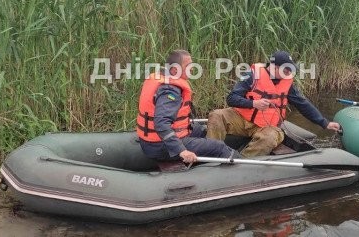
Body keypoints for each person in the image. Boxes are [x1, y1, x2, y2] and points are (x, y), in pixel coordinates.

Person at [206, 51, 342, 157]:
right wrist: (253, 103)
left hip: (267, 127)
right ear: (275, 67)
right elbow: (232, 98)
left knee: (269, 138)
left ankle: (242, 162)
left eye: (290, 70)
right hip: (242, 120)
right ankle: (212, 153)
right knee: (216, 115)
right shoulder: (252, 75)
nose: (289, 73)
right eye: (286, 70)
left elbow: (303, 104)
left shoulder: (287, 84)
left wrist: (324, 123)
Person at [137, 50, 239, 163]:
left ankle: (209, 158)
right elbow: (161, 123)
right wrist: (181, 150)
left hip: (158, 139)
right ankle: (244, 167)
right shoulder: (170, 90)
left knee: (204, 131)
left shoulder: (162, 78)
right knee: (219, 147)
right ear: (175, 69)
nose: (192, 68)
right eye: (188, 66)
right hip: (159, 146)